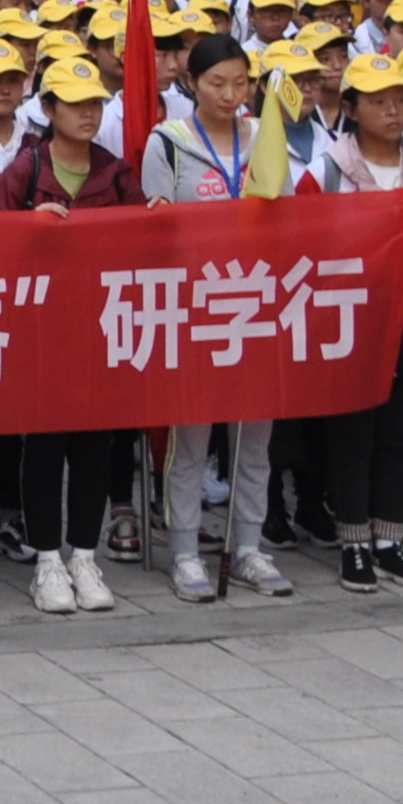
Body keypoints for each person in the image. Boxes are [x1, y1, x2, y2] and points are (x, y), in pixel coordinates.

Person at [140, 32, 293, 600]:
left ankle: (248, 546)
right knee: (191, 440)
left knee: (255, 439)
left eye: (240, 82)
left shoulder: (266, 137)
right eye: (215, 83)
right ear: (191, 84)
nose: (230, 95)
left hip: (255, 306)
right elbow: (154, 231)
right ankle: (185, 551)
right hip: (195, 310)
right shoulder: (170, 142)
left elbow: (291, 218)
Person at [305, 54, 403, 596]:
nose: (393, 112)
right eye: (378, 102)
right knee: (353, 432)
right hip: (351, 311)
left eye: (399, 100)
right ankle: (353, 542)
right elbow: (303, 244)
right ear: (351, 108)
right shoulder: (326, 169)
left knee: (401, 430)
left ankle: (390, 540)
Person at [0, 58, 144, 613]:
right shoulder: (26, 169)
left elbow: (144, 248)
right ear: (49, 108)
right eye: (75, 103)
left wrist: (150, 219)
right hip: (40, 333)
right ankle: (46, 561)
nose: (88, 113)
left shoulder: (115, 171)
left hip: (100, 328)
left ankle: (84, 554)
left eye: (96, 103)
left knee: (95, 447)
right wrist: (26, 232)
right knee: (44, 447)